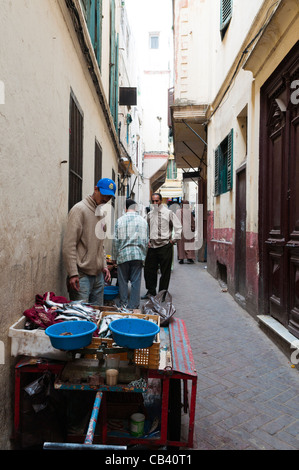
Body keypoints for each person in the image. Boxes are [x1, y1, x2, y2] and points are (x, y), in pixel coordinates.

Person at [62, 178, 116, 305]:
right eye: (104, 195)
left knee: (96, 316)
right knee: (81, 320)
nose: (106, 199)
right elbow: (69, 245)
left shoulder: (101, 214)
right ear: (95, 189)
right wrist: (73, 273)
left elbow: (100, 245)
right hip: (82, 276)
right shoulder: (79, 209)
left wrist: (104, 266)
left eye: (109, 197)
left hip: (98, 276)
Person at [142, 193, 182, 298]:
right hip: (152, 247)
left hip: (165, 246)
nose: (155, 203)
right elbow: (145, 229)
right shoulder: (149, 215)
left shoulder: (168, 213)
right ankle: (151, 292)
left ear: (160, 201)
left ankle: (162, 294)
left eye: (157, 201)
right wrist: (147, 241)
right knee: (149, 270)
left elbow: (178, 227)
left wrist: (173, 241)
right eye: (153, 201)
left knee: (165, 272)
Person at [112, 199, 149, 309]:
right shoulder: (143, 221)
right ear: (136, 208)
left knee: (122, 282)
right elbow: (146, 241)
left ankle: (123, 304)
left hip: (123, 255)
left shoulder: (119, 221)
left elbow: (115, 241)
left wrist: (114, 258)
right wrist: (143, 256)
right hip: (137, 255)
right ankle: (134, 306)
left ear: (125, 208)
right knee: (136, 282)